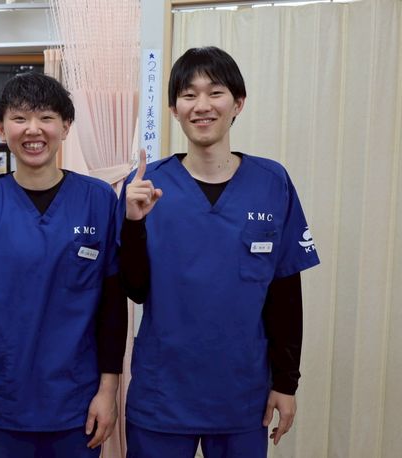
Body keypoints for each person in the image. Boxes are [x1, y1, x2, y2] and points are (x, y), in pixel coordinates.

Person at [119, 46, 321, 457]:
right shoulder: (145, 186)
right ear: (174, 109)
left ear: (238, 103)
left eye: (215, 92)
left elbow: (285, 291)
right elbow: (135, 289)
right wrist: (134, 224)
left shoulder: (272, 182)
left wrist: (286, 382)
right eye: (188, 95)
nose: (202, 106)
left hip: (242, 394)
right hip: (163, 393)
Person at [0, 72, 128, 457]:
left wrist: (109, 390)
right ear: (0, 127)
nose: (33, 129)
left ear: (66, 126)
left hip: (74, 398)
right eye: (20, 118)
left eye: (46, 117)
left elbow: (112, 304)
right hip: (1, 398)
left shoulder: (98, 200)